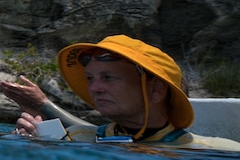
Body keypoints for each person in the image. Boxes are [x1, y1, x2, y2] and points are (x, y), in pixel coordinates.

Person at [13, 34, 240, 150]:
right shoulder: (72, 138)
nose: (94, 88)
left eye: (108, 78)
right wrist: (26, 145)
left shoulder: (221, 152)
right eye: (90, 78)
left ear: (156, 90)